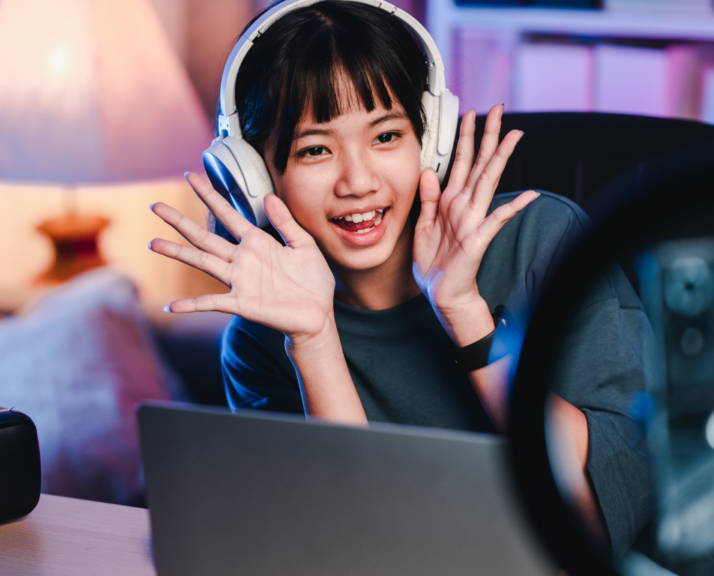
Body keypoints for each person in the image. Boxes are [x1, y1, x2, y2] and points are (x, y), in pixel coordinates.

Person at [148, 0, 652, 561]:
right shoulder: (264, 338)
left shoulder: (541, 241)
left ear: (428, 140)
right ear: (255, 174)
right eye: (315, 149)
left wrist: (465, 313)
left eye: (386, 137)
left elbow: (599, 525)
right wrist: (315, 341)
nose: (358, 181)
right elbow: (355, 550)